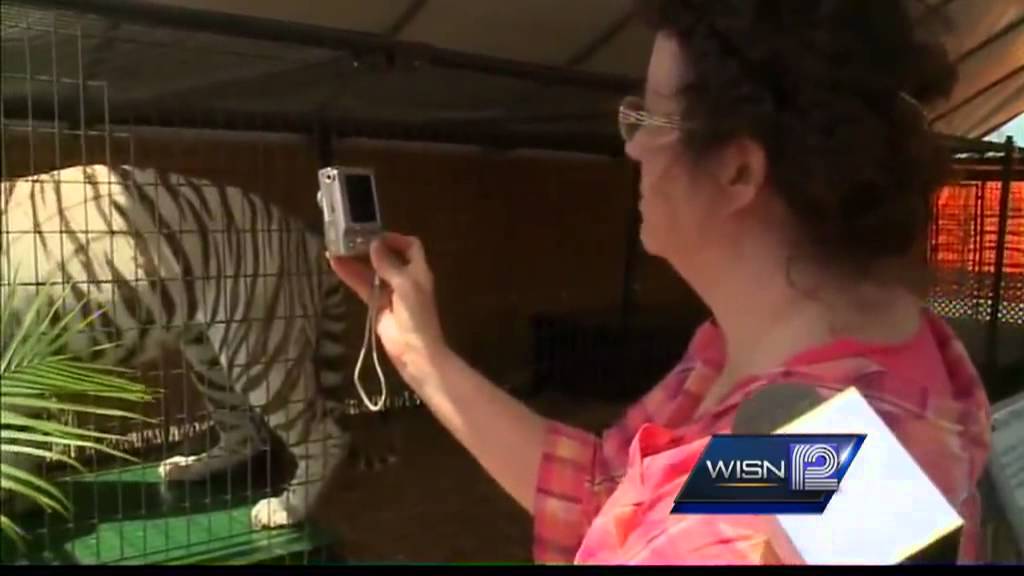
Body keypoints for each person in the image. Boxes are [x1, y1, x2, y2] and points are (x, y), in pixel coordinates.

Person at [327, 0, 992, 565]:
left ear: (737, 171)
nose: (632, 146)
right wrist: (422, 356)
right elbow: (607, 493)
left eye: (650, 120)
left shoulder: (752, 512)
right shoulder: (786, 383)